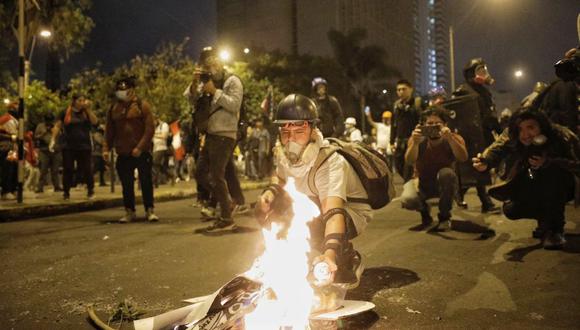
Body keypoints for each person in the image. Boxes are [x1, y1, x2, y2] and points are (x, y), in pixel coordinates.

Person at [255, 94, 370, 290]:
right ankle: (293, 261)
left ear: (313, 129)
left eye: (299, 131)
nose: (291, 139)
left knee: (310, 216)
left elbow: (334, 213)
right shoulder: (284, 153)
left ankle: (347, 259)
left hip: (349, 211)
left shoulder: (329, 161)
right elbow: (280, 176)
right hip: (314, 205)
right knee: (270, 209)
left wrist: (330, 253)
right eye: (285, 131)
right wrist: (270, 192)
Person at [473, 109, 579, 249]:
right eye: (520, 129)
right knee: (511, 208)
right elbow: (496, 149)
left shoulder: (561, 135)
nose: (525, 135)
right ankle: (545, 222)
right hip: (533, 179)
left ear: (541, 125)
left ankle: (555, 230)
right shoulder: (512, 136)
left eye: (531, 127)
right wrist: (485, 162)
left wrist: (550, 161)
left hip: (566, 185)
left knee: (551, 174)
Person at [185, 47, 244, 231]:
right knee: (200, 173)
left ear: (220, 62)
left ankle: (226, 218)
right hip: (210, 135)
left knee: (217, 175)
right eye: (207, 64)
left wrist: (215, 92)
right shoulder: (204, 81)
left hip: (225, 135)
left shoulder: (232, 81)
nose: (211, 65)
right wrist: (195, 84)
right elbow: (190, 99)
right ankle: (226, 201)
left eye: (214, 61)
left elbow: (234, 105)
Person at [400, 106, 468, 230]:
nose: (434, 127)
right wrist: (415, 143)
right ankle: (424, 212)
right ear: (423, 126)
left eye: (438, 124)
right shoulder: (418, 139)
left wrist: (450, 139)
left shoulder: (453, 137)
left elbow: (463, 158)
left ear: (445, 124)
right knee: (408, 198)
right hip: (421, 183)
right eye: (429, 124)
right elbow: (409, 161)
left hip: (444, 183)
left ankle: (444, 216)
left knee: (447, 174)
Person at [103, 77, 158, 222]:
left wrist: (140, 147)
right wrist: (105, 148)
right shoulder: (113, 109)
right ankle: (129, 211)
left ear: (132, 90)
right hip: (123, 151)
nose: (122, 93)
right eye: (120, 90)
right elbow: (109, 131)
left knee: (146, 181)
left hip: (141, 151)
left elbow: (149, 129)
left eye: (125, 90)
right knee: (126, 184)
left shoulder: (142, 105)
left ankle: (149, 210)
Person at [453, 58, 500, 212]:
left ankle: (460, 196)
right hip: (470, 137)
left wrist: (498, 128)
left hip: (484, 134)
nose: (484, 74)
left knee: (480, 167)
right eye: (480, 71)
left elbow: (489, 114)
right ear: (470, 74)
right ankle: (484, 202)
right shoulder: (463, 90)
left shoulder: (484, 91)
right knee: (475, 167)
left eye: (484, 70)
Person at [51, 94, 97, 200]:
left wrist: (88, 110)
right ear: (74, 101)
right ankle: (66, 192)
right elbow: (57, 126)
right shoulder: (65, 112)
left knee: (87, 168)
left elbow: (95, 121)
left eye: (83, 100)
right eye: (80, 100)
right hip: (68, 145)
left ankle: (90, 190)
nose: (82, 102)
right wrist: (53, 140)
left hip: (84, 145)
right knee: (68, 169)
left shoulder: (85, 112)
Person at [390, 79, 422, 182]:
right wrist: (391, 142)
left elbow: (422, 122)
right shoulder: (396, 106)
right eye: (398, 90)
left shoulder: (417, 104)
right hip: (400, 142)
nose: (401, 92)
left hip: (413, 140)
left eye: (404, 89)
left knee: (409, 167)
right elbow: (393, 125)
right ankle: (409, 183)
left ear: (411, 89)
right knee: (398, 164)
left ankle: (409, 186)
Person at [34, 112, 62, 193]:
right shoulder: (40, 126)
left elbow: (61, 136)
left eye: (50, 120)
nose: (49, 122)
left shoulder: (56, 126)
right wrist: (44, 132)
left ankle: (57, 186)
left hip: (55, 150)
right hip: (44, 150)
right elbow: (35, 137)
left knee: (55, 170)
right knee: (43, 170)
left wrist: (54, 130)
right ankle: (40, 187)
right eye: (47, 120)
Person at [0, 103, 18, 200]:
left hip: (14, 148)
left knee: (14, 168)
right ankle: (6, 191)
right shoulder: (6, 119)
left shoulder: (15, 120)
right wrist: (11, 137)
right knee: (8, 169)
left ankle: (12, 189)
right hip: (6, 147)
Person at [152, 117, 170, 187]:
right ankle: (170, 175)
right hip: (155, 148)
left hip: (161, 148)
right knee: (158, 166)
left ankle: (155, 183)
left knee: (154, 164)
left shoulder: (164, 125)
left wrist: (154, 135)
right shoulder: (156, 127)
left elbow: (164, 136)